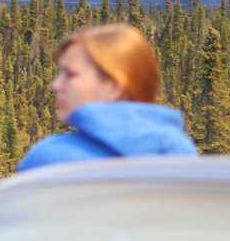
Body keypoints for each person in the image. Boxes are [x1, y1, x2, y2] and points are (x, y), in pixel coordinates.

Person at [18, 23, 196, 171]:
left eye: (70, 74)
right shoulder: (181, 153)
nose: (55, 85)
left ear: (113, 86)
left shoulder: (48, 159)